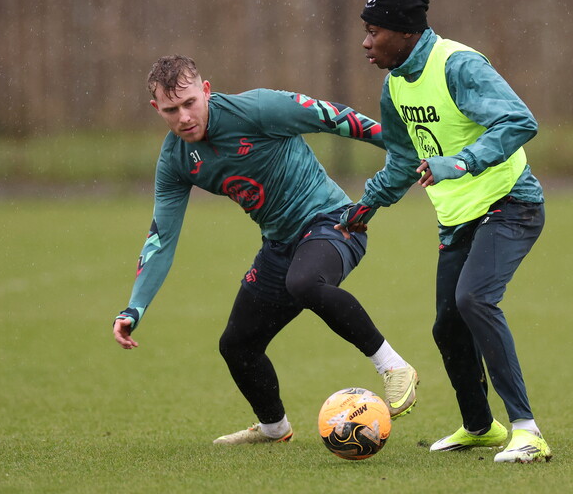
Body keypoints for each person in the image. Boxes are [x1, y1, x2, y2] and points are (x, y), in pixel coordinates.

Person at [113, 54, 418, 445]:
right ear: (157, 109)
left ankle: (395, 368)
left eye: (190, 103)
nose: (184, 117)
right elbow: (162, 237)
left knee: (304, 282)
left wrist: (400, 145)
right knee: (237, 345)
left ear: (206, 91)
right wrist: (134, 307)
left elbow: (332, 116)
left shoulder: (257, 109)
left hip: (335, 222)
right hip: (279, 244)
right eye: (171, 110)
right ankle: (274, 428)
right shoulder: (175, 161)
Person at [336, 0, 552, 463]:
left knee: (475, 299)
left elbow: (519, 121)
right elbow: (401, 161)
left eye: (375, 31)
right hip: (459, 218)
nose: (366, 42)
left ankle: (527, 430)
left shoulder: (459, 65)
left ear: (407, 32)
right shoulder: (394, 86)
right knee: (447, 328)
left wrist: (462, 161)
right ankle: (480, 427)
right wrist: (364, 208)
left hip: (511, 203)